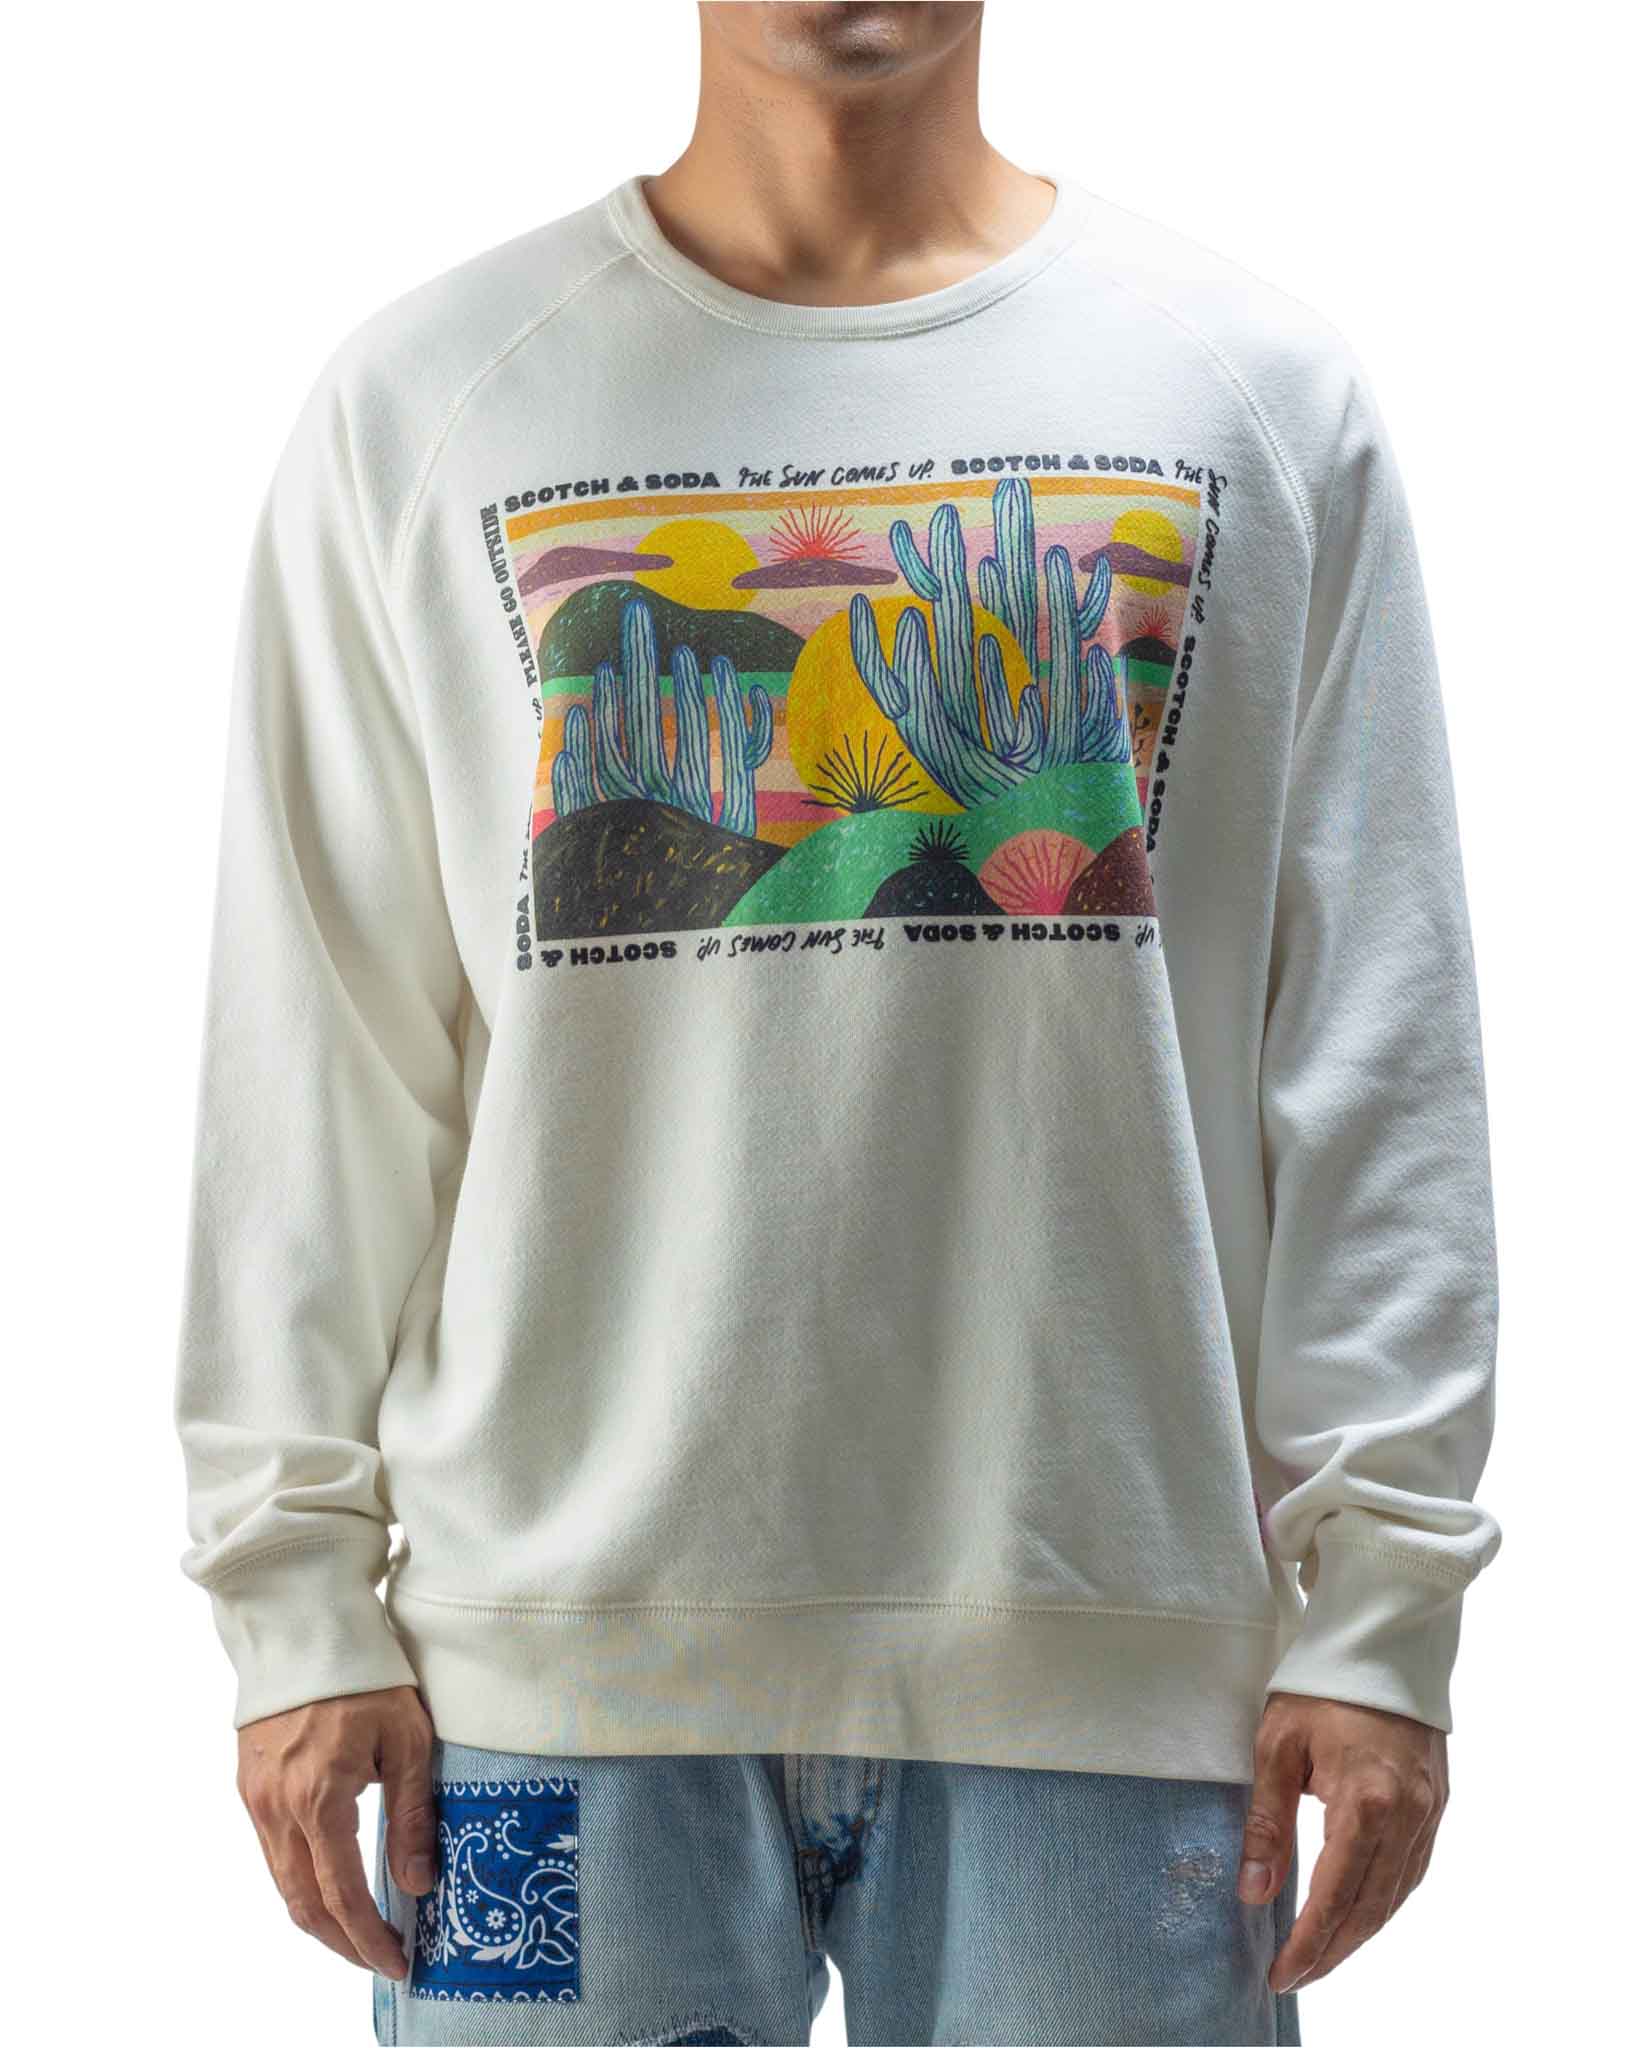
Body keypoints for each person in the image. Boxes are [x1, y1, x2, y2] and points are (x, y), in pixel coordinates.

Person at [172, 5, 1501, 2042]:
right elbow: (322, 1041)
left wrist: (1384, 1611)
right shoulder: (432, 398)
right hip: (546, 1684)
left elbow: (1375, 1041)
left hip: (1111, 1669)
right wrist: (294, 1606)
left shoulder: (1247, 389)